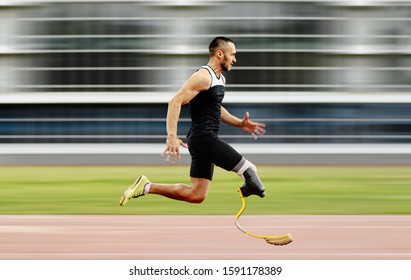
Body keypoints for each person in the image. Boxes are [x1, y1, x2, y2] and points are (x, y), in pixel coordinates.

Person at [120, 36, 267, 206]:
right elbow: (175, 101)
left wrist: (239, 123)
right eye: (232, 54)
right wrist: (171, 135)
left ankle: (145, 187)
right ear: (220, 54)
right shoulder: (203, 76)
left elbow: (216, 109)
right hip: (204, 138)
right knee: (249, 170)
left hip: (202, 140)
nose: (235, 59)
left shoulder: (220, 79)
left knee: (197, 194)